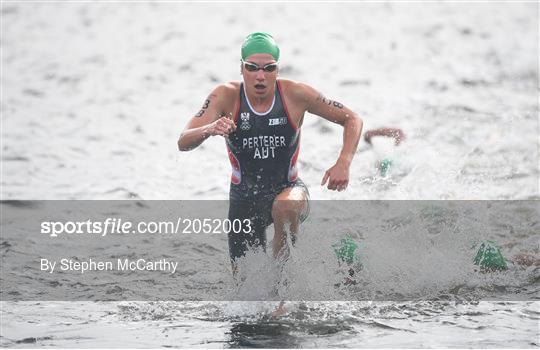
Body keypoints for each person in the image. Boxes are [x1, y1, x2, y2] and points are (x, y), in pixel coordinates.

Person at [178, 33, 363, 275]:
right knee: (247, 291)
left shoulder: (296, 94)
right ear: (241, 69)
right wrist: (209, 129)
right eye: (252, 67)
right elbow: (184, 140)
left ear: (278, 69)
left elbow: (352, 119)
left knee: (285, 207)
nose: (260, 76)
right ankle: (340, 259)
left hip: (289, 189)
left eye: (269, 68)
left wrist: (344, 162)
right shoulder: (225, 96)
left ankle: (281, 286)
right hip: (244, 200)